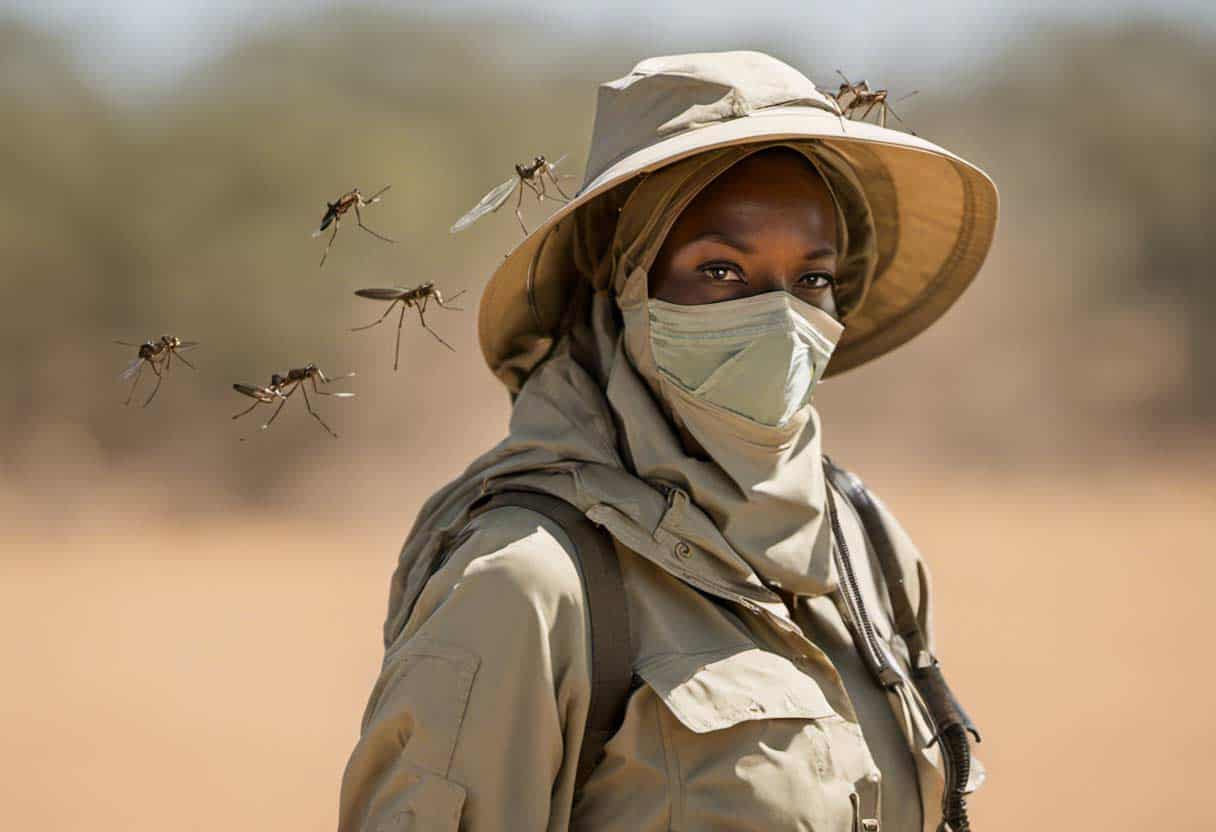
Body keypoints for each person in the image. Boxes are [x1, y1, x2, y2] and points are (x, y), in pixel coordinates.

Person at [337, 50, 997, 832]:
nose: (780, 317)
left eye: (813, 279)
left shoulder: (865, 548)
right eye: (720, 271)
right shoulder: (528, 585)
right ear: (629, 284)